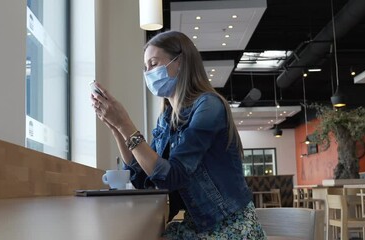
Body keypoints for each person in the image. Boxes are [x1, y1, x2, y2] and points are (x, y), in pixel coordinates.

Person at [90, 30, 266, 239]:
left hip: (229, 225)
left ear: (180, 62)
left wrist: (125, 124)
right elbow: (142, 176)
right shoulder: (166, 119)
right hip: (201, 224)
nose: (148, 73)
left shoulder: (209, 106)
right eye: (146, 68)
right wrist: (116, 127)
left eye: (154, 64)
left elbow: (171, 176)